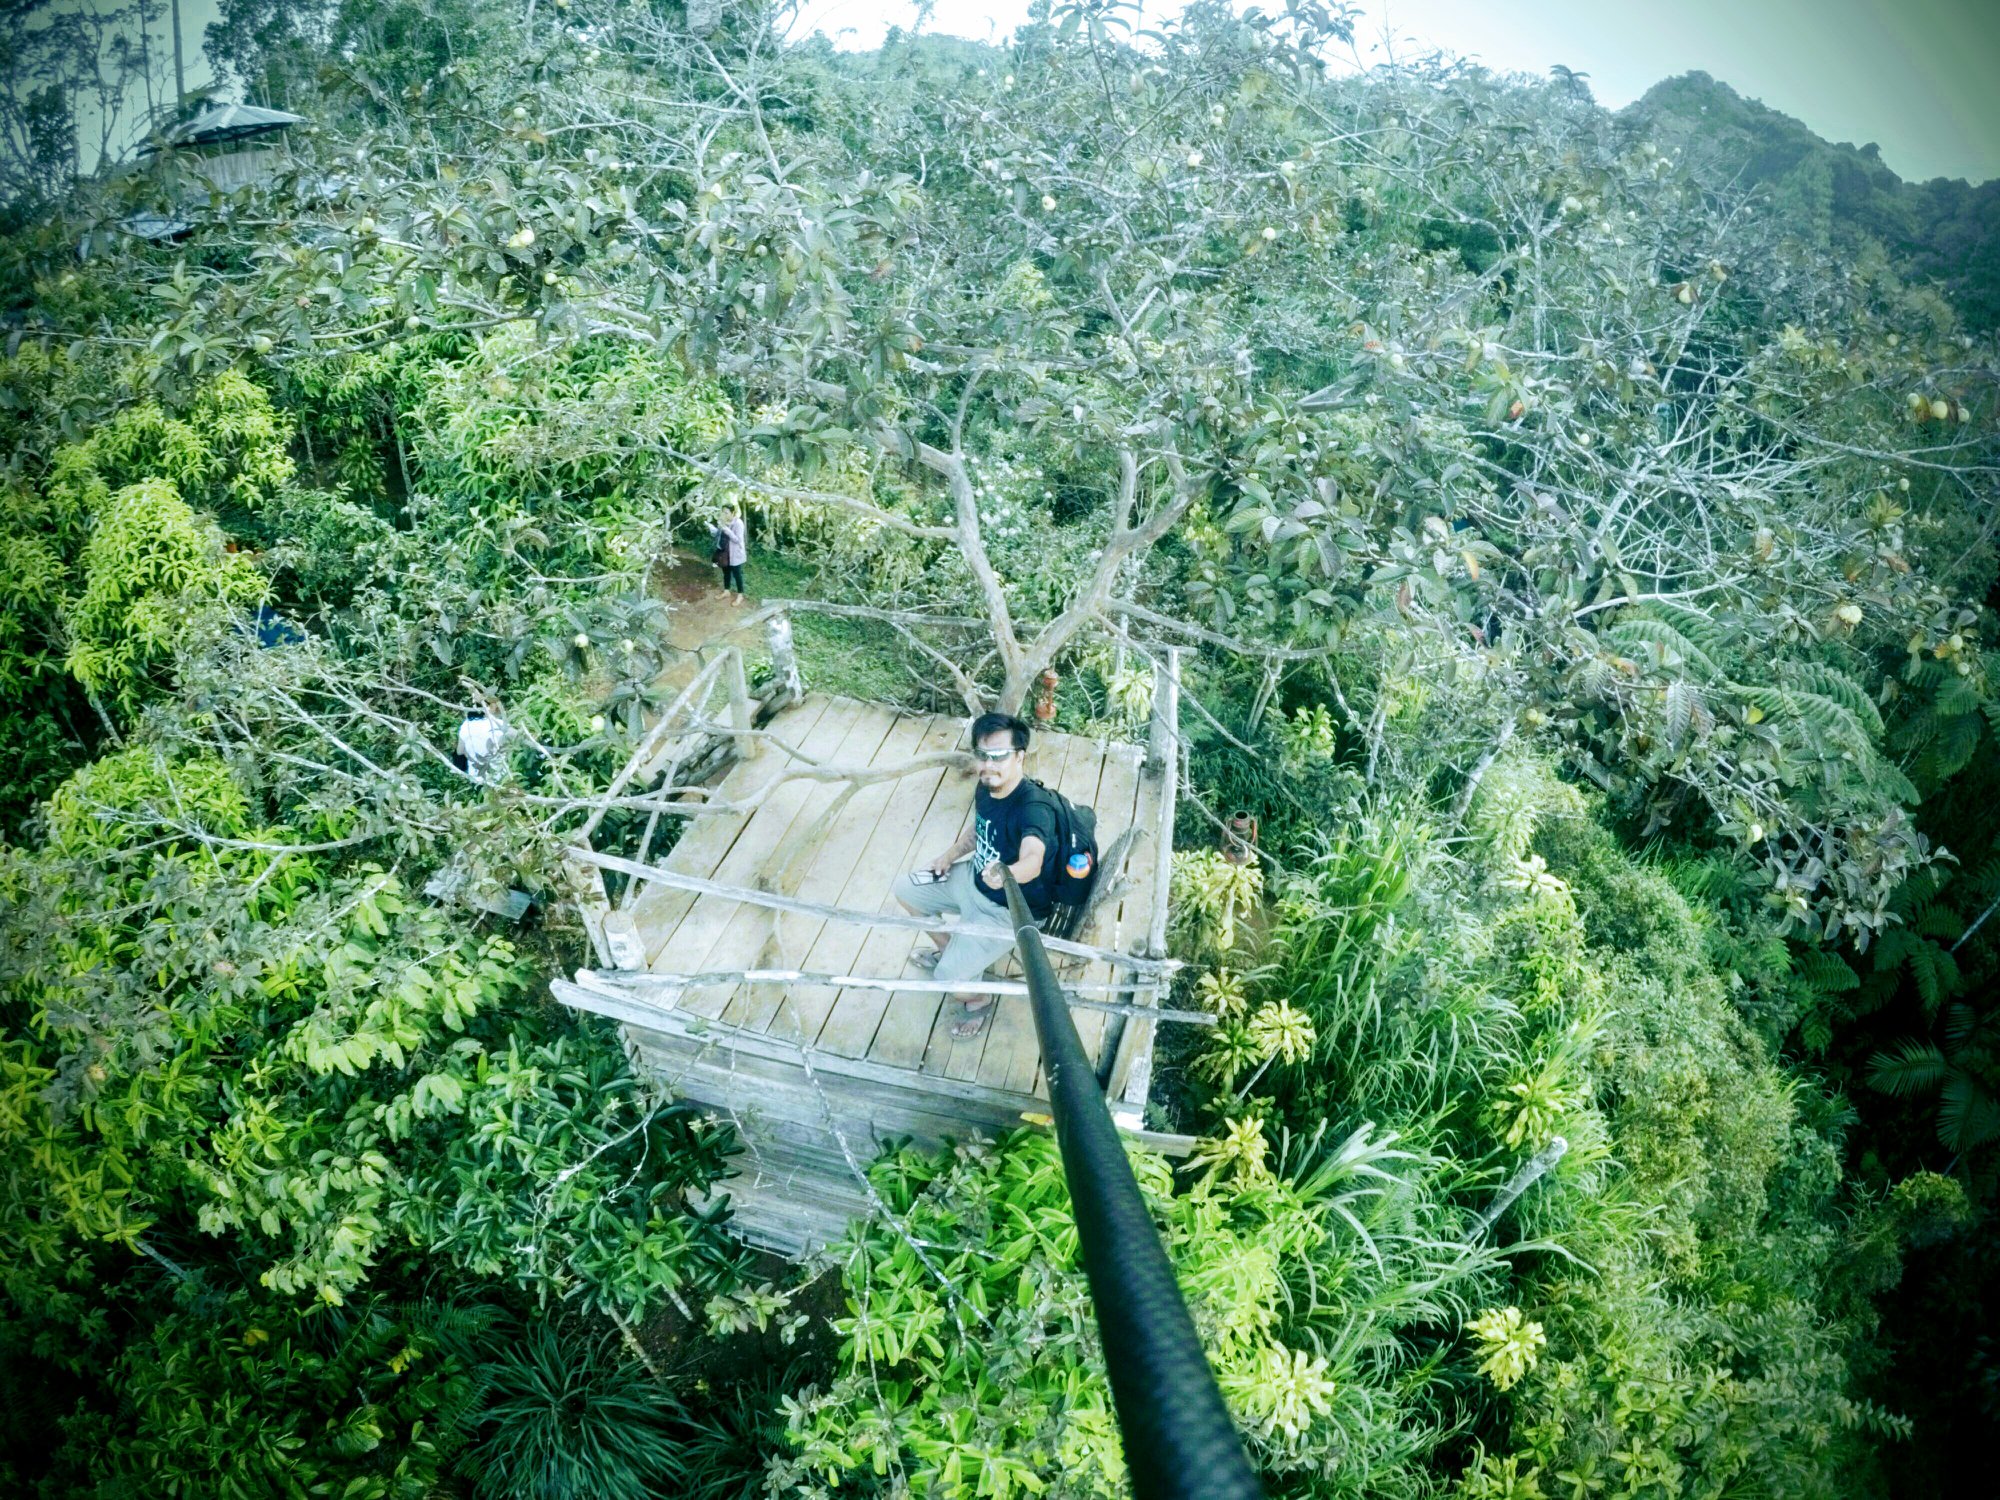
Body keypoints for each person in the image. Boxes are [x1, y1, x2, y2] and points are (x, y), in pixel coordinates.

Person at [897, 711, 1057, 1037]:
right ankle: (952, 950)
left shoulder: (1033, 808)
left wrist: (1008, 874)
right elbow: (980, 829)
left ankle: (979, 997)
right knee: (905, 889)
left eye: (999, 756)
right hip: (972, 879)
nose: (988, 764)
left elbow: (1033, 858)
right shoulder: (987, 787)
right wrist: (949, 855)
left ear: (1020, 757)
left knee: (947, 979)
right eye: (983, 755)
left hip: (1007, 909)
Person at [453, 702, 510, 787]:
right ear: (490, 707)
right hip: (501, 776)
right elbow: (518, 738)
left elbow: (460, 751)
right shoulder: (500, 724)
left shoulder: (466, 725)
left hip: (476, 778)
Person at [712, 506, 747, 596]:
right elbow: (720, 535)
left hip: (735, 553)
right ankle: (726, 591)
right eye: (723, 512)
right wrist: (713, 530)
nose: (724, 514)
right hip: (724, 552)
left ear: (732, 513)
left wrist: (727, 530)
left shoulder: (738, 523)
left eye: (726, 513)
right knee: (726, 572)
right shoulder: (723, 522)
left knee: (737, 574)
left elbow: (737, 540)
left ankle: (740, 595)